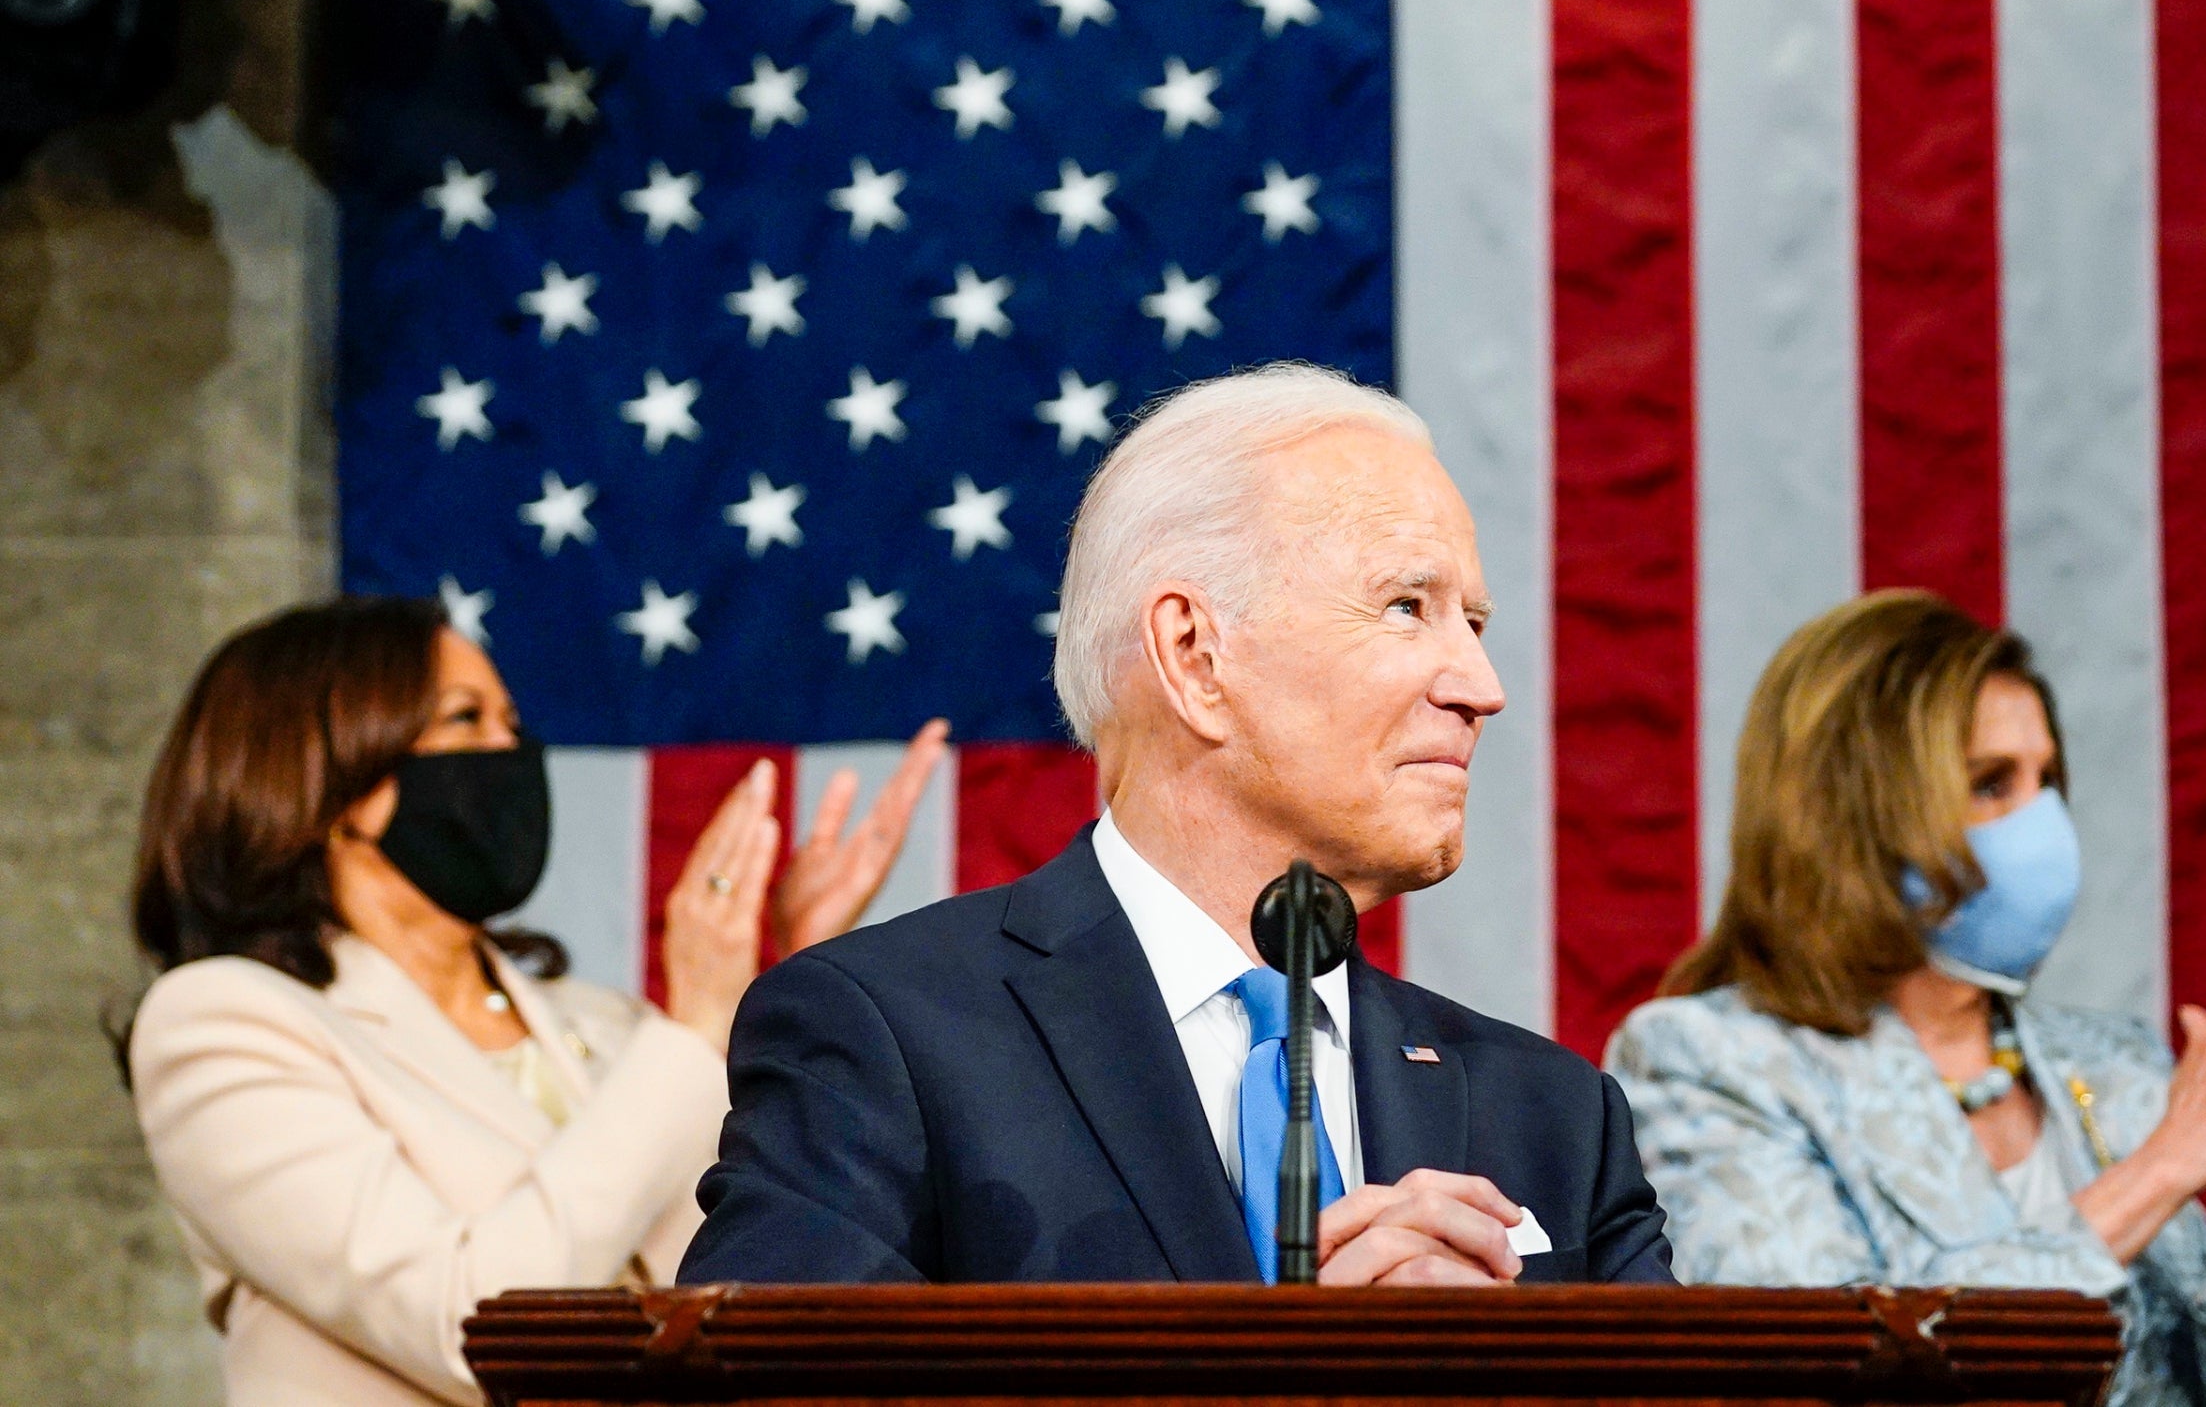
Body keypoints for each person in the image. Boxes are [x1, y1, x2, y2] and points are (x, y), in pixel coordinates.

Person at [680, 364, 1676, 1287]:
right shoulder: (887, 1042)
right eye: (1408, 606)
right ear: (1195, 654)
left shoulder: (1554, 1118)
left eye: (1475, 623)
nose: (1480, 687)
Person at [123, 596, 946, 1407]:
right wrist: (698, 1021)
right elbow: (474, 1327)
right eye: (465, 720)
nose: (509, 753)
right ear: (329, 774)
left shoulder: (607, 1027)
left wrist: (789, 974)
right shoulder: (219, 1024)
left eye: (511, 726)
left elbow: (772, 1262)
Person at [1606, 591, 2206, 1406]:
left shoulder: (2110, 1062)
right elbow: (1828, 1371)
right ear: (1854, 814)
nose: (2044, 824)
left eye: (2047, 781)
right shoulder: (1706, 1061)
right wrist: (2168, 1165)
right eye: (1992, 784)